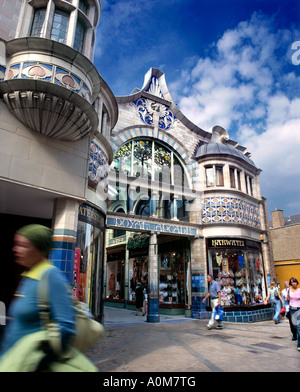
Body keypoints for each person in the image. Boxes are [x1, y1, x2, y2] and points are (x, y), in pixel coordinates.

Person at [0, 224, 97, 372]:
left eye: (23, 245)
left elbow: (66, 326)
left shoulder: (51, 276)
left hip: (29, 365)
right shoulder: (28, 276)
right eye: (17, 244)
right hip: (13, 360)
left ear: (39, 250)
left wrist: (42, 363)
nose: (16, 249)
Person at [287, 277, 300, 352]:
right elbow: (288, 299)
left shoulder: (299, 290)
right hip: (292, 309)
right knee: (294, 325)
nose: (294, 283)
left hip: (299, 308)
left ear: (297, 283)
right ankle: (294, 334)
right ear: (290, 283)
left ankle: (299, 345)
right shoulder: (289, 290)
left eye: (295, 282)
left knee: (298, 327)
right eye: (292, 282)